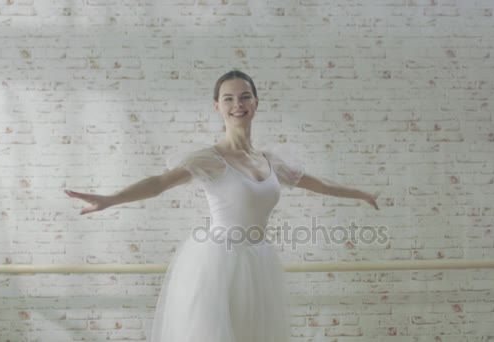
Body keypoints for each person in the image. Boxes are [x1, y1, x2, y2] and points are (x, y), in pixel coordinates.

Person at [64, 70, 379, 341]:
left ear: (256, 103)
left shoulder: (271, 161)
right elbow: (160, 183)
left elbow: (321, 186)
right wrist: (111, 199)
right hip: (217, 262)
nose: (237, 104)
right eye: (228, 98)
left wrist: (362, 194)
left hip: (259, 260)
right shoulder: (209, 159)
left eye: (244, 97)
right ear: (217, 106)